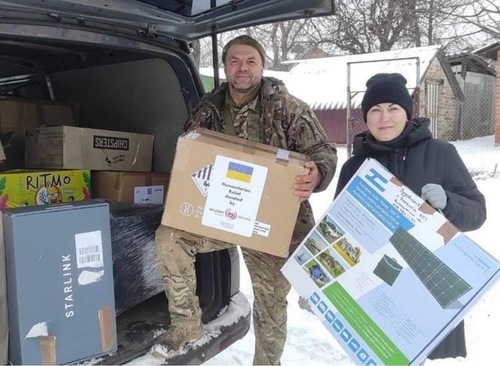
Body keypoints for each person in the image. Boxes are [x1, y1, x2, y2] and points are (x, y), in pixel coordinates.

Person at [155, 35, 338, 364]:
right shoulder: (208, 108)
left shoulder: (288, 107)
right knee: (170, 237)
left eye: (250, 61)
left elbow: (323, 152)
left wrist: (316, 175)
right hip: (220, 213)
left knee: (271, 306)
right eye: (235, 61)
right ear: (225, 66)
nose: (242, 67)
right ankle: (186, 323)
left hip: (271, 224)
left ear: (262, 65)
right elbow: (189, 153)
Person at [334, 72, 486, 360]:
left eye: (393, 108)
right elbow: (341, 232)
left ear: (407, 112)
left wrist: (449, 202)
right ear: (366, 117)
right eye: (375, 110)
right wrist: (320, 285)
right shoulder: (354, 167)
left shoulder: (441, 154)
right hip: (379, 289)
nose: (384, 117)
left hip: (432, 287)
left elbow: (477, 213)